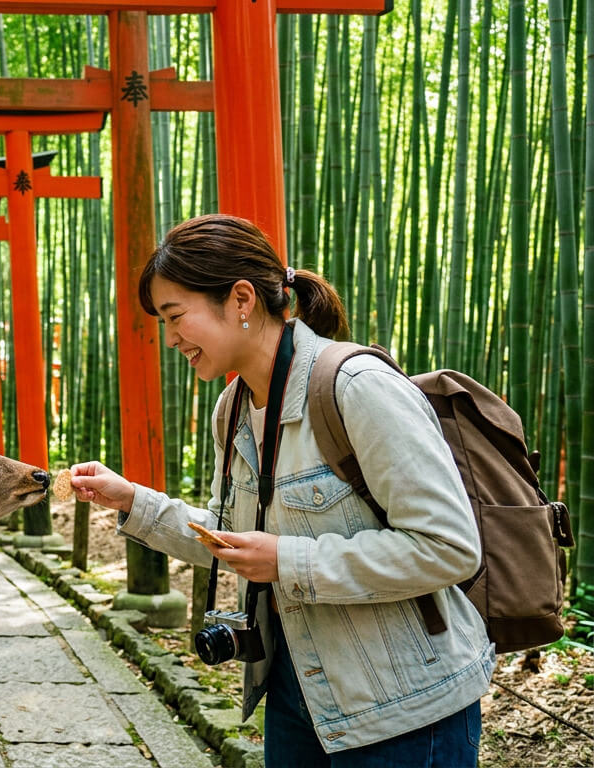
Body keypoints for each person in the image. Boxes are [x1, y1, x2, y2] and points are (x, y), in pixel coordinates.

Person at [69, 214, 492, 766]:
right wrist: (130, 500)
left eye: (175, 317)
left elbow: (450, 548)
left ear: (241, 299)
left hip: (405, 706)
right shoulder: (234, 408)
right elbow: (231, 542)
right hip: (297, 692)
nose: (170, 339)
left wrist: (289, 561)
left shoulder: (357, 388)